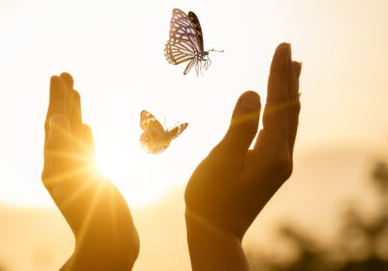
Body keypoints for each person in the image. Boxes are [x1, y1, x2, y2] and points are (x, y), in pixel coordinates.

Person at [42, 43, 302, 270]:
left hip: (156, 143)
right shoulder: (165, 131)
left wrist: (102, 250)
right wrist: (219, 235)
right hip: (158, 143)